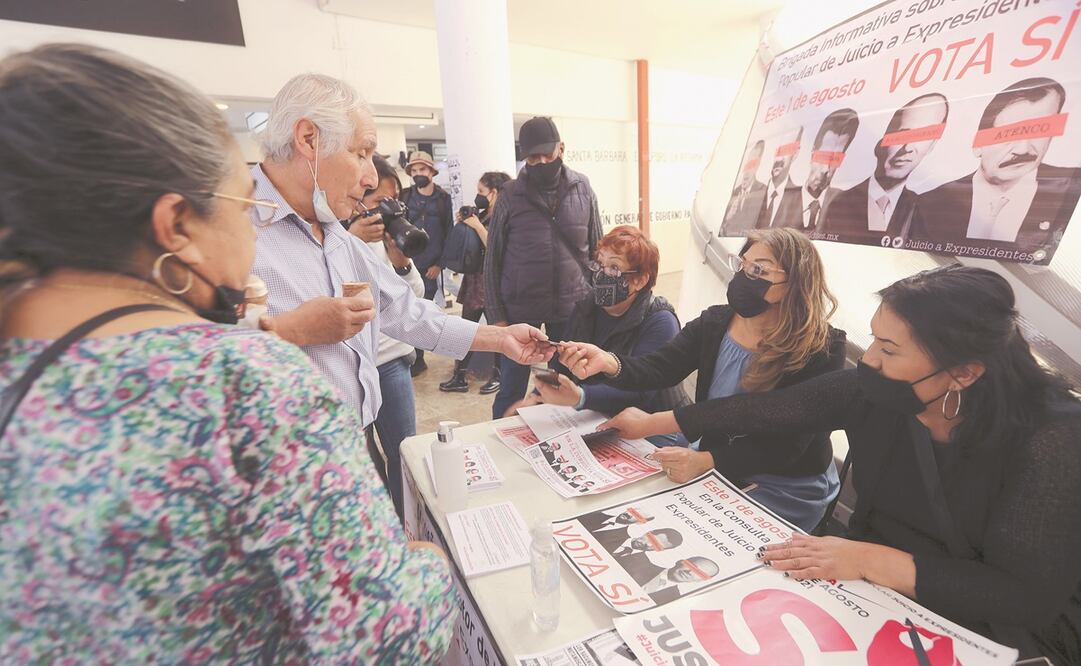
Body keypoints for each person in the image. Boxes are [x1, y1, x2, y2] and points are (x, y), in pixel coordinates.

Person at [0, 44, 455, 662]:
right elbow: (385, 635)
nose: (255, 227)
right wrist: (428, 563)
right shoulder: (247, 383)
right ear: (177, 227)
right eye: (246, 204)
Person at [602, 265, 1081, 662]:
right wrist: (648, 423)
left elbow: (1025, 597)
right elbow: (767, 411)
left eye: (889, 350)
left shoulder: (1053, 438)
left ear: (964, 372)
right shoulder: (874, 393)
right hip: (872, 597)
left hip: (982, 628)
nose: (868, 359)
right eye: (874, 340)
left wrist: (867, 559)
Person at [249, 73, 555, 436]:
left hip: (352, 441)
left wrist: (499, 339)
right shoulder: (228, 229)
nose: (370, 179)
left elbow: (405, 312)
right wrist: (289, 331)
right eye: (360, 153)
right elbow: (185, 360)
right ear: (308, 139)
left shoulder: (334, 232)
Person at [560, 228, 846, 532]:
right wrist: (609, 362)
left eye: (759, 270)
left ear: (794, 282)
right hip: (717, 460)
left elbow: (788, 447)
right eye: (743, 264)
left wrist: (709, 460)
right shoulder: (716, 323)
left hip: (784, 483)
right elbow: (661, 367)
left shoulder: (823, 349)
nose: (744, 276)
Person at [505, 226, 691, 447]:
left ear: (640, 280)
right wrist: (537, 396)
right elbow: (560, 362)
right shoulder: (587, 306)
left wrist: (580, 397)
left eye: (614, 268)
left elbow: (642, 392)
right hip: (597, 417)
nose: (602, 274)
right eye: (600, 264)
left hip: (655, 426)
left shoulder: (660, 321)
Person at [484, 116, 604, 418]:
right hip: (518, 309)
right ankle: (501, 437)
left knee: (563, 383)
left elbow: (597, 246)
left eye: (546, 154)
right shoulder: (510, 194)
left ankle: (558, 438)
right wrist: (497, 317)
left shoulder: (582, 187)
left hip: (572, 306)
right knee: (511, 385)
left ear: (561, 148)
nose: (540, 162)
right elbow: (493, 257)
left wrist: (599, 302)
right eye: (532, 157)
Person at [913, 78, 1081, 264]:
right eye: (1009, 133)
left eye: (1040, 130)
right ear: (978, 144)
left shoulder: (1071, 188)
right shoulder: (929, 204)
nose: (1023, 149)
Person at [344, 154, 422, 516]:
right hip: (347, 365)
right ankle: (381, 526)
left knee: (404, 454)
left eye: (395, 201)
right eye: (380, 202)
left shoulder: (390, 234)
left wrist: (399, 261)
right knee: (362, 462)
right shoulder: (336, 235)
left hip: (390, 362)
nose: (388, 210)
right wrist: (349, 241)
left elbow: (415, 294)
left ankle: (407, 526)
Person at [820, 94, 948, 246]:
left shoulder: (925, 214)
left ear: (932, 145)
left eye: (924, 136)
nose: (908, 148)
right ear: (882, 141)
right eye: (903, 134)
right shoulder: (838, 205)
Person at [439, 171, 512, 394]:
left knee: (499, 333)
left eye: (481, 192)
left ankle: (499, 377)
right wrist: (464, 223)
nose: (478, 196)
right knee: (466, 331)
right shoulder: (479, 215)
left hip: (494, 285)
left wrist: (477, 227)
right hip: (474, 283)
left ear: (495, 193)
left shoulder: (505, 216)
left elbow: (497, 250)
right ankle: (459, 376)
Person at [400, 150, 454, 374]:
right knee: (404, 311)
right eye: (414, 170)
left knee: (422, 313)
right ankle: (410, 356)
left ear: (431, 171)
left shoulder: (443, 199)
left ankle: (419, 357)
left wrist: (439, 264)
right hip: (406, 263)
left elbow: (449, 233)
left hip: (431, 265)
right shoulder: (404, 196)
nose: (418, 173)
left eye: (422, 169)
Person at [773, 108, 860, 232]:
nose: (826, 169)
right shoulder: (779, 199)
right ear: (813, 153)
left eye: (835, 159)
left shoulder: (844, 207)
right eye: (824, 156)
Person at [757, 125, 803, 229]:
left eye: (786, 150)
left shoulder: (800, 200)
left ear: (796, 153)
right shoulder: (755, 195)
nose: (779, 159)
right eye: (779, 151)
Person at [722, 140, 767, 234]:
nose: (747, 170)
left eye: (752, 164)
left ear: (758, 165)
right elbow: (722, 230)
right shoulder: (734, 192)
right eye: (746, 164)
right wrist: (727, 219)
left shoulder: (764, 191)